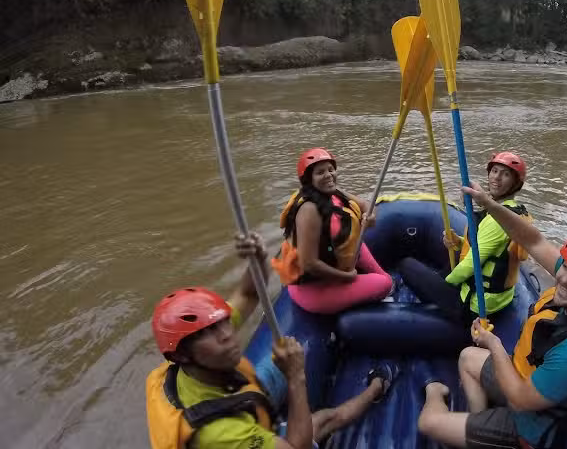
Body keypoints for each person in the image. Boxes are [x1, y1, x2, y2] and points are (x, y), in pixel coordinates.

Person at [417, 181, 567, 449]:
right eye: (565, 266)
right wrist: (490, 204)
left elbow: (520, 399)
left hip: (530, 429)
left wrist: (493, 343)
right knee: (467, 357)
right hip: (526, 378)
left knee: (428, 423)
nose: (564, 280)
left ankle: (435, 391)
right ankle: (479, 422)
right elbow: (533, 239)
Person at [145, 232, 397, 449]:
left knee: (274, 364)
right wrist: (296, 377)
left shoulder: (183, 358)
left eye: (222, 322)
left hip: (230, 394)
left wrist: (257, 257)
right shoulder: (221, 435)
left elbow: (248, 293)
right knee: (323, 419)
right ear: (181, 356)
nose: (227, 334)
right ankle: (377, 386)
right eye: (206, 334)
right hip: (230, 426)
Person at [398, 152, 531, 327]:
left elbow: (471, 264)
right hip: (497, 297)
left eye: (505, 174)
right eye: (495, 171)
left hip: (475, 305)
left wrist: (440, 286)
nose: (497, 178)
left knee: (406, 264)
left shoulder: (497, 221)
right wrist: (460, 242)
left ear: (515, 184)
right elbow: (491, 250)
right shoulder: (514, 211)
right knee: (446, 264)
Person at [271, 147, 393, 314]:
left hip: (335, 257)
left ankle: (369, 285)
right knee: (384, 284)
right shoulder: (309, 210)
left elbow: (365, 205)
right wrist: (347, 277)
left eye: (331, 170)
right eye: (320, 172)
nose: (328, 175)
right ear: (309, 179)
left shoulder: (334, 192)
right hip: (313, 289)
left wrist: (369, 216)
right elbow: (309, 264)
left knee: (386, 279)